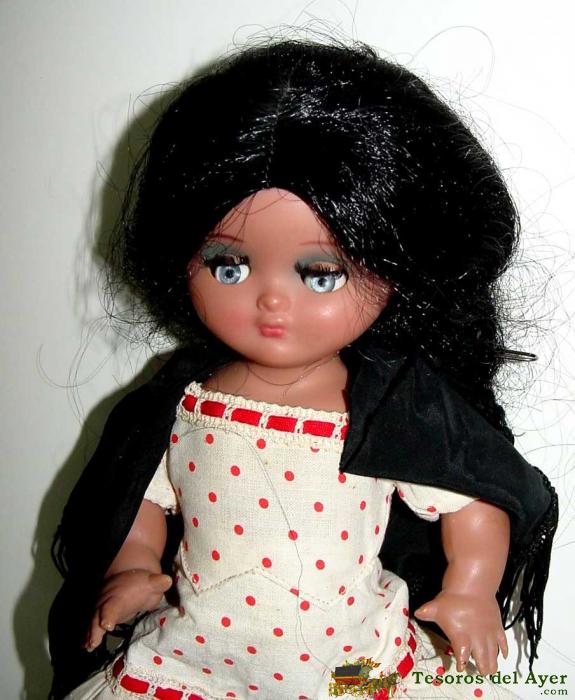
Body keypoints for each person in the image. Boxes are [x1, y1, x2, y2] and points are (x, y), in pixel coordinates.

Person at [49, 40, 557, 700]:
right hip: (199, 660)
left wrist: (470, 589)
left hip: (350, 663)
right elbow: (139, 495)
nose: (271, 300)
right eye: (228, 265)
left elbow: (470, 498)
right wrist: (135, 564)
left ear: (396, 272)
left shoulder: (384, 410)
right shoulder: (184, 403)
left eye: (320, 274)